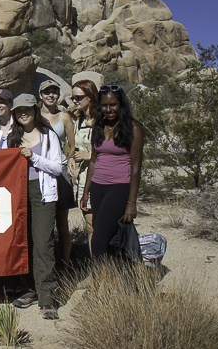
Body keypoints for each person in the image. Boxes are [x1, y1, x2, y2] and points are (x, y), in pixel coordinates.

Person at [8, 94, 62, 320]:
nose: (23, 113)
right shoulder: (12, 137)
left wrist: (34, 158)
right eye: (19, 109)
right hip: (17, 193)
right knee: (23, 242)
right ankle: (30, 289)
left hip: (42, 193)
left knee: (43, 243)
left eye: (28, 109)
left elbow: (58, 168)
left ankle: (47, 297)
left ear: (35, 110)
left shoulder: (49, 136)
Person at [80, 85, 144, 261]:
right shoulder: (98, 127)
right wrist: (86, 190)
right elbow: (93, 160)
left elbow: (136, 168)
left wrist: (131, 202)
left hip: (119, 188)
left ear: (121, 104)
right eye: (104, 105)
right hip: (98, 187)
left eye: (113, 105)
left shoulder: (133, 128)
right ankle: (115, 278)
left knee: (98, 240)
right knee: (110, 238)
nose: (109, 110)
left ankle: (101, 280)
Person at [39, 80, 76, 271]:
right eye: (47, 92)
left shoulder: (65, 117)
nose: (50, 95)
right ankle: (46, 266)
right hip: (40, 169)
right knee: (43, 222)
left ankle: (65, 267)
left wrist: (69, 159)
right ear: (40, 95)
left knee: (62, 222)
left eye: (54, 92)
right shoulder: (35, 116)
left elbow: (72, 144)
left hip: (60, 170)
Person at [67, 80, 99, 248]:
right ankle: (98, 269)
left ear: (90, 96)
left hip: (100, 178)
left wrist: (90, 155)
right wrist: (72, 159)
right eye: (73, 97)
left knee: (100, 225)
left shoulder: (101, 121)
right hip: (83, 179)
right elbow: (74, 148)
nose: (75, 101)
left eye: (79, 97)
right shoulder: (79, 121)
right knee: (90, 226)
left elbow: (113, 151)